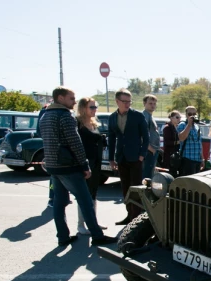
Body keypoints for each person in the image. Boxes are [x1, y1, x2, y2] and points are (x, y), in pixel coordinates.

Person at [38, 87, 115, 246]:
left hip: (53, 166)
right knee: (86, 201)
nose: (74, 102)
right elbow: (75, 143)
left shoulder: (45, 116)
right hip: (69, 166)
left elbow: (44, 139)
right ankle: (97, 235)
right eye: (71, 98)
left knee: (59, 202)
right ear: (60, 98)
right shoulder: (65, 116)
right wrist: (84, 165)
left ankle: (63, 236)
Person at [108, 88, 149, 225]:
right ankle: (129, 214)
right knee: (125, 188)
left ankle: (135, 219)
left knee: (136, 188)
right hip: (121, 158)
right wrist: (111, 158)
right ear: (117, 101)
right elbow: (111, 138)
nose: (127, 104)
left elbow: (146, 137)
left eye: (129, 101)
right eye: (124, 101)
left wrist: (142, 155)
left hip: (136, 158)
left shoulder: (137, 116)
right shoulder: (112, 117)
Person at [75, 97, 107, 234]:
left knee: (93, 194)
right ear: (83, 108)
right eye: (92, 107)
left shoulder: (94, 124)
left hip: (96, 163)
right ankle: (81, 225)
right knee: (84, 195)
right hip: (84, 164)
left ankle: (93, 223)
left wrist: (102, 140)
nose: (95, 110)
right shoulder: (77, 124)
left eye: (96, 107)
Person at [176, 106, 204, 175]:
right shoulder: (182, 125)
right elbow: (181, 138)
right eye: (190, 114)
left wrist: (202, 158)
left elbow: (199, 143)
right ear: (186, 115)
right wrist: (189, 125)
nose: (192, 116)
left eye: (194, 114)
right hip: (187, 159)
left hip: (197, 159)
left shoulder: (197, 126)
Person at [142, 94, 160, 179]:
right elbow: (142, 134)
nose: (153, 105)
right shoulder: (144, 116)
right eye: (150, 103)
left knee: (149, 175)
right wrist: (150, 148)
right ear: (144, 104)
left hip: (153, 150)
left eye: (154, 103)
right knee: (146, 177)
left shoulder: (150, 116)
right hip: (148, 151)